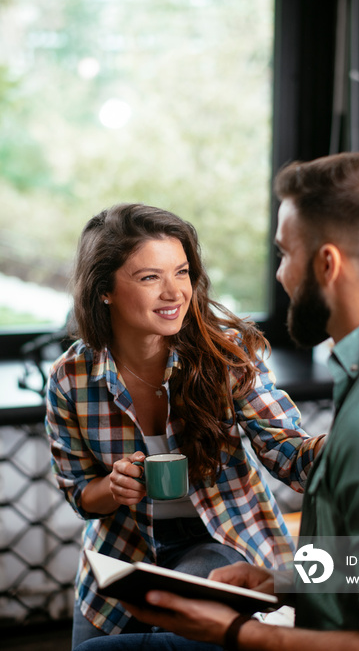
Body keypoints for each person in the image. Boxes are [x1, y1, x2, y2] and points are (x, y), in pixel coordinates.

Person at [74, 152, 359, 651]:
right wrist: (284, 581)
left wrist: (238, 631)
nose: (279, 275)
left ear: (327, 264)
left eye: (284, 253)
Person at [45, 203, 324, 649]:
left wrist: (355, 443)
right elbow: (80, 493)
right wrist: (112, 489)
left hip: (219, 542)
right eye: (150, 277)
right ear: (104, 290)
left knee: (171, 634)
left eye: (181, 272)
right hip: (123, 551)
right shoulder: (70, 377)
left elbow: (289, 453)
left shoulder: (226, 355)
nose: (175, 292)